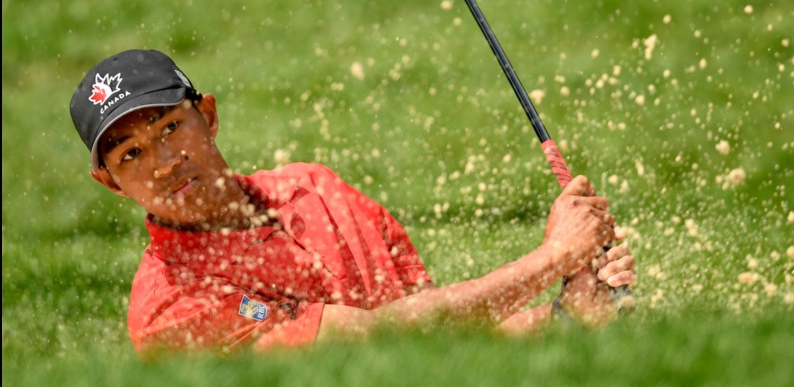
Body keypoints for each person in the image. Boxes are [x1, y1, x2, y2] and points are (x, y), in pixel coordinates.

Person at [70, 49, 636, 353]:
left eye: (170, 128)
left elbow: (436, 348)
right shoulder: (172, 310)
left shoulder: (316, 189)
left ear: (209, 117)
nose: (163, 163)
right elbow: (379, 341)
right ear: (111, 183)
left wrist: (565, 319)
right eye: (130, 156)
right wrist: (554, 258)